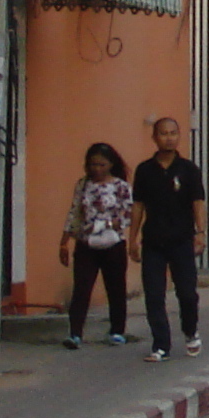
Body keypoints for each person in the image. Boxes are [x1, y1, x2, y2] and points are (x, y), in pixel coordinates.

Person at [130, 117, 208, 363]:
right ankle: (160, 344)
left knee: (186, 293)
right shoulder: (145, 170)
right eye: (163, 133)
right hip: (153, 241)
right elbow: (138, 206)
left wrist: (200, 232)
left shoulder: (188, 170)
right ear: (154, 137)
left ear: (179, 135)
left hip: (182, 240)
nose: (169, 137)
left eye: (173, 132)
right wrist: (132, 238)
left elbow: (197, 202)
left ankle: (190, 331)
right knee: (154, 294)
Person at [60, 142, 133, 350]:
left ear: (110, 164)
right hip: (86, 244)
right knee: (82, 288)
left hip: (113, 243)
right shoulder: (83, 185)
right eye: (93, 165)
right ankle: (75, 333)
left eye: (101, 165)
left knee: (116, 288)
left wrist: (107, 225)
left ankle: (117, 330)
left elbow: (127, 215)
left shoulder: (121, 187)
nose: (97, 169)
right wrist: (64, 241)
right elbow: (74, 213)